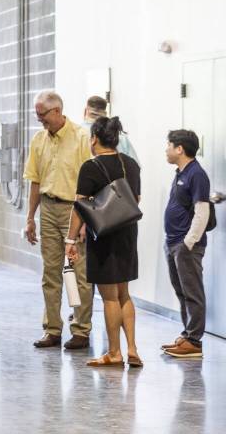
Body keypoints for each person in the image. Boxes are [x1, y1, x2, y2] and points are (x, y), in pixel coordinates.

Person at [65, 117, 142, 368]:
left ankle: (114, 352)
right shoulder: (130, 163)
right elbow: (136, 198)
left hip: (104, 236)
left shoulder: (91, 166)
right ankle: (132, 349)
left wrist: (70, 240)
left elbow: (79, 207)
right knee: (124, 294)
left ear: (94, 139)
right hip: (128, 233)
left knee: (109, 297)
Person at [24, 90, 94, 350]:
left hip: (74, 211)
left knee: (77, 274)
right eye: (37, 115)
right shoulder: (39, 139)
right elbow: (35, 181)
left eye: (42, 115)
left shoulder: (81, 138)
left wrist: (86, 220)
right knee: (51, 273)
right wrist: (30, 218)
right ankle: (52, 329)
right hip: (48, 210)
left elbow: (92, 184)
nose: (39, 119)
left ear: (57, 111)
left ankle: (81, 330)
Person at [161, 129, 212, 359]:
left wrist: (187, 243)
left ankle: (194, 341)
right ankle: (187, 334)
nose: (166, 149)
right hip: (173, 243)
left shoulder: (196, 174)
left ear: (179, 148)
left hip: (186, 246)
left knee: (192, 293)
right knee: (181, 291)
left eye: (169, 145)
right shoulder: (180, 172)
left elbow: (202, 211)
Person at [82, 95, 137, 160]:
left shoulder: (77, 133)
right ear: (105, 114)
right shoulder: (119, 136)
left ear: (85, 111)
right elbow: (135, 165)